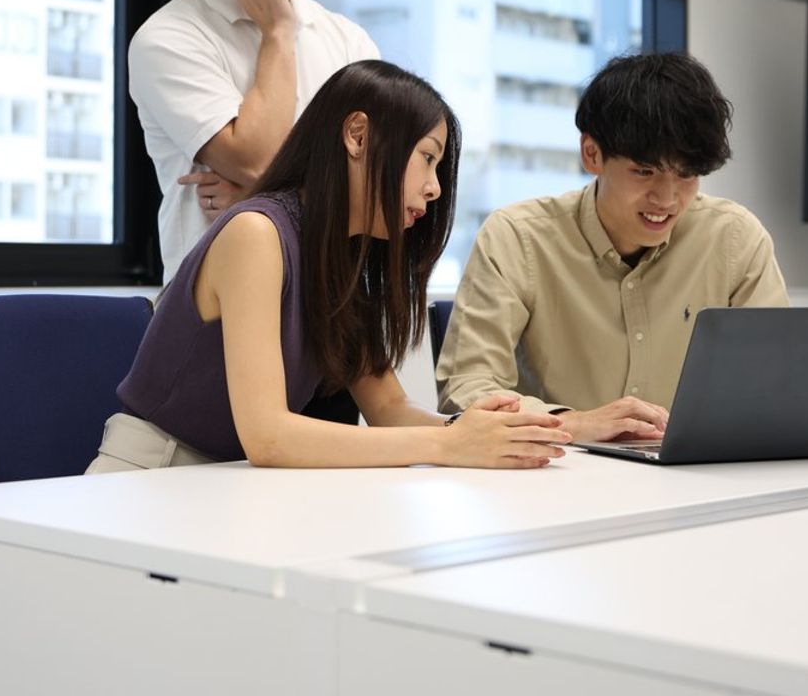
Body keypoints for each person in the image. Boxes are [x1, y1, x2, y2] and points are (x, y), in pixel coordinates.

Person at [88, 61, 571, 472]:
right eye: (427, 158)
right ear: (357, 136)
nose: (435, 188)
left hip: (231, 479)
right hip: (155, 473)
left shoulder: (342, 257)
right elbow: (268, 437)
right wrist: (449, 444)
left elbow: (388, 407)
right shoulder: (257, 233)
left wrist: (475, 431)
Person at [436, 51, 789, 443]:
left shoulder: (734, 238)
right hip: (562, 465)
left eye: (687, 175)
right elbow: (466, 388)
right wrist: (572, 424)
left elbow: (780, 378)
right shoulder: (518, 238)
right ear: (592, 154)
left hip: (696, 468)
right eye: (644, 171)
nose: (667, 199)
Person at [128, 0, 379, 283]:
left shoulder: (348, 40)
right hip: (214, 308)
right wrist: (278, 32)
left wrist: (263, 198)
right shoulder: (169, 38)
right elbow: (257, 159)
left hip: (329, 301)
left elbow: (384, 183)